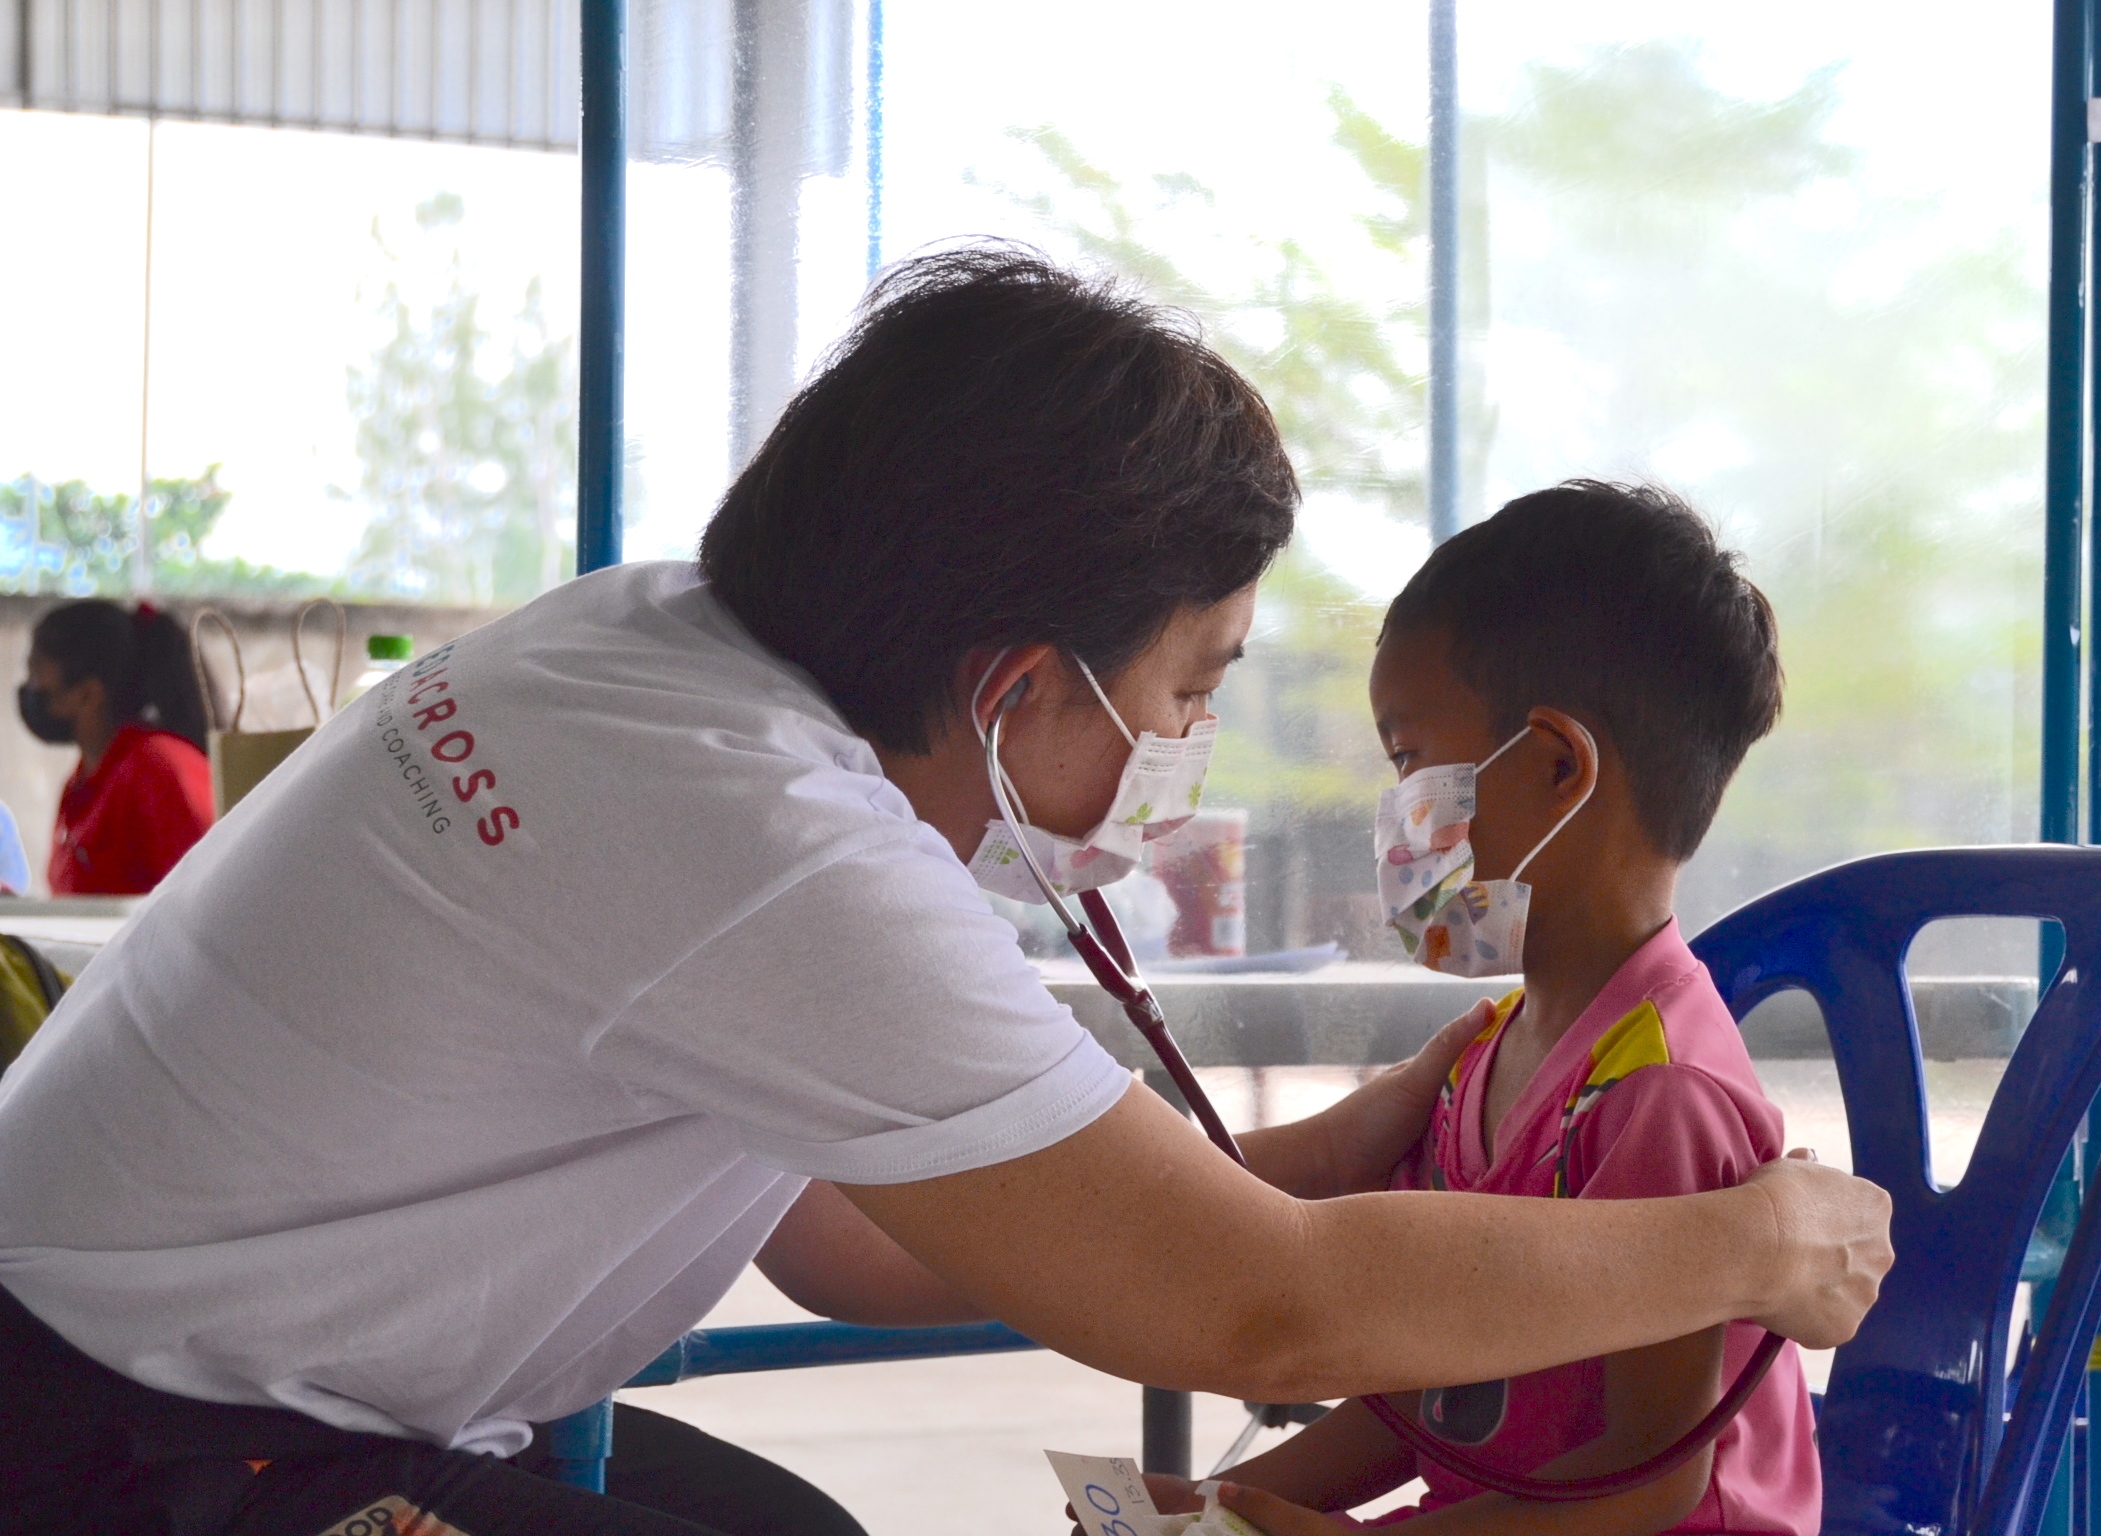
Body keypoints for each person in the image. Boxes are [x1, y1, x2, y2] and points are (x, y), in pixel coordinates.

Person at [0, 250, 1891, 1536]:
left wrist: (1319, 1166)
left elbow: (862, 1237)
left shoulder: (643, 657)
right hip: (138, 1448)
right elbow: (1258, 1318)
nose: (1181, 746)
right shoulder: (765, 839)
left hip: (125, 1355)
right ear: (1015, 688)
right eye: (1184, 685)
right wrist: (1757, 1243)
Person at [1174, 484, 1818, 1536]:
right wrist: (1222, 1511)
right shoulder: (1490, 1055)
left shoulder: (1659, 1093)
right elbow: (1427, 1400)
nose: (1397, 813)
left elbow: (1652, 1487)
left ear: (1559, 765)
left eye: (1409, 759)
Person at [16, 598, 214, 895]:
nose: (29, 688)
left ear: (88, 694)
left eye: (36, 673)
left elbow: (206, 894)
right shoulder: (86, 780)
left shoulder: (159, 768)